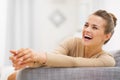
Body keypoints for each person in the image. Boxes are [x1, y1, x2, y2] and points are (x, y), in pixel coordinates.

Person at [8, 9, 117, 80]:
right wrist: (29, 60)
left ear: (107, 36)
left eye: (94, 27)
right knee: (13, 76)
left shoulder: (107, 60)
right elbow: (52, 58)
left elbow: (75, 62)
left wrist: (39, 56)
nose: (87, 30)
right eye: (86, 25)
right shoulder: (72, 42)